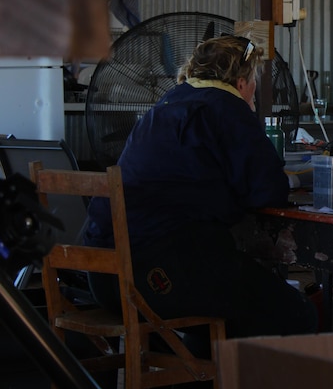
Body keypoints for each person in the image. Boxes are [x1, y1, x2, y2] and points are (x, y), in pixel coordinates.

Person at [84, 35, 318, 349]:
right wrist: (294, 180)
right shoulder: (228, 108)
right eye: (253, 84)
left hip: (104, 277)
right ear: (241, 81)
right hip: (158, 276)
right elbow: (267, 191)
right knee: (296, 314)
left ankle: (198, 387)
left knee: (231, 307)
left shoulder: (166, 104)